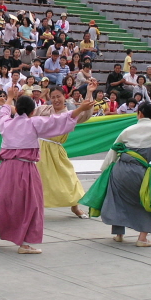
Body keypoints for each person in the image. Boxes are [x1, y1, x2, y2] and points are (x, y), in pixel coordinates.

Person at [0, 86, 95, 253]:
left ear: (17, 110)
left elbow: (3, 112)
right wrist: (80, 109)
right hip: (24, 167)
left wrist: (10, 98)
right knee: (30, 205)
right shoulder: (34, 123)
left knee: (1, 202)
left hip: (5, 168)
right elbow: (58, 120)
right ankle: (24, 244)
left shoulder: (5, 123)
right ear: (33, 112)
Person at [80, 83, 151, 247]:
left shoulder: (128, 130)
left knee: (118, 199)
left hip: (120, 170)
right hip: (140, 172)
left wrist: (105, 170)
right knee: (147, 200)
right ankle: (142, 238)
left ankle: (119, 235)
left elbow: (113, 151)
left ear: (139, 114)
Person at [35, 80, 98, 217]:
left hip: (56, 150)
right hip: (39, 149)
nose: (56, 100)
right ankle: (33, 209)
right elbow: (26, 117)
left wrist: (89, 92)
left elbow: (86, 112)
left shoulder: (70, 114)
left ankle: (75, 206)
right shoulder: (42, 110)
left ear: (65, 97)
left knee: (69, 177)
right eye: (53, 97)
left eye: (58, 96)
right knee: (37, 180)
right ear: (49, 98)